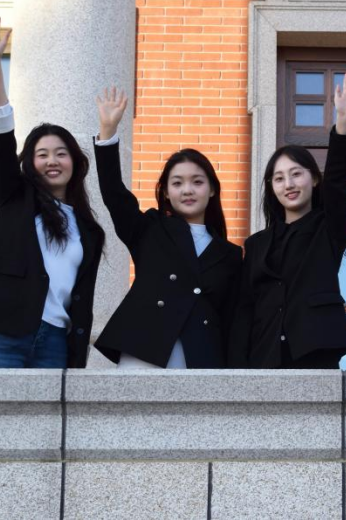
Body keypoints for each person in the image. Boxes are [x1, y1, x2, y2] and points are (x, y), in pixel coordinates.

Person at [0, 15, 106, 369]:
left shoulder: (88, 228)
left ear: (74, 162)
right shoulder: (15, 197)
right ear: (30, 162)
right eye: (42, 155)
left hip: (55, 342)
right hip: (0, 334)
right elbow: (1, 139)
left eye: (61, 153)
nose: (52, 161)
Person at [92, 88, 241, 368]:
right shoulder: (149, 229)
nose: (187, 190)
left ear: (212, 190)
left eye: (197, 182)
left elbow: (232, 319)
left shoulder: (230, 255)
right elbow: (114, 195)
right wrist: (107, 133)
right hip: (145, 348)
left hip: (203, 357)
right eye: (177, 183)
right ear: (166, 192)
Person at [227, 71, 346, 369]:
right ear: (271, 188)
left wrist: (342, 124)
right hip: (263, 358)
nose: (288, 184)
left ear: (314, 179)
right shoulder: (257, 244)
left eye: (296, 174)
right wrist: (236, 371)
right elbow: (244, 311)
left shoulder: (329, 228)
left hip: (315, 353)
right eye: (279, 178)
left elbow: (338, 184)